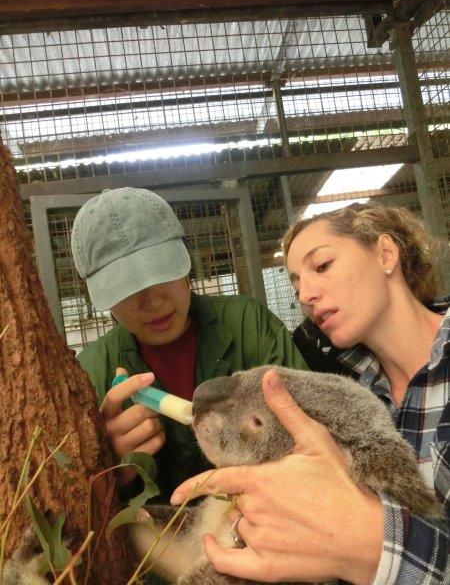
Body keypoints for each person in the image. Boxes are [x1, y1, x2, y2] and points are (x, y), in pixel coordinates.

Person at [170, 203, 450, 584]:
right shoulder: (347, 387)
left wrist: (370, 544)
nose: (306, 294)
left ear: (386, 254)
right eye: (296, 283)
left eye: (322, 266)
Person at [70, 186, 307, 514]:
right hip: (157, 540)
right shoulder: (90, 373)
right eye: (127, 288)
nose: (153, 302)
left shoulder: (248, 325)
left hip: (268, 519)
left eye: (162, 272)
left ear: (185, 264)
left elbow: (312, 434)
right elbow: (81, 508)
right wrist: (108, 473)